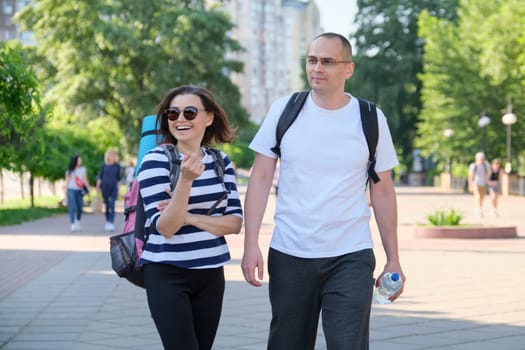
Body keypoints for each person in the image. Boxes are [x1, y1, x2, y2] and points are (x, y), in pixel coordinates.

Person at [241, 32, 405, 350]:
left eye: (328, 61)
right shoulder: (284, 110)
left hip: (350, 255)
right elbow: (260, 178)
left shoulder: (370, 118)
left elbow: (383, 192)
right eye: (312, 59)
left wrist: (393, 259)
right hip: (290, 253)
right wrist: (251, 245)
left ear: (349, 68)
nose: (317, 67)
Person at [136, 85, 243, 350]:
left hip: (210, 273)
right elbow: (166, 228)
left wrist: (190, 217)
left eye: (190, 112)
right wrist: (185, 180)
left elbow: (234, 223)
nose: (180, 119)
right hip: (166, 274)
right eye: (173, 114)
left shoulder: (221, 162)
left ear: (208, 118)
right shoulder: (155, 161)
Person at [96, 149, 121, 232]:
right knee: (107, 206)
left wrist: (119, 190)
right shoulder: (104, 165)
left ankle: (111, 223)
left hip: (113, 188)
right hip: (104, 188)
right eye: (111, 155)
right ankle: (107, 221)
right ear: (108, 156)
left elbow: (118, 179)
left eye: (114, 155)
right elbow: (100, 177)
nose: (113, 156)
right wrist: (98, 187)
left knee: (112, 205)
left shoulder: (117, 166)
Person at [64, 154, 90, 232]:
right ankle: (72, 224)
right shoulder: (69, 171)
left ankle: (77, 221)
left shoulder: (83, 169)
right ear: (75, 161)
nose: (80, 161)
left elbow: (85, 180)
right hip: (71, 189)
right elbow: (67, 182)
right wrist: (65, 194)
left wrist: (88, 189)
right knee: (72, 206)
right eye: (79, 160)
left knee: (80, 207)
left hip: (79, 190)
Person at [468, 152, 490, 217]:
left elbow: (489, 172)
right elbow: (470, 176)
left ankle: (479, 208)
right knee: (478, 196)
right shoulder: (473, 166)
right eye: (480, 158)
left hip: (483, 183)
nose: (481, 159)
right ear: (476, 158)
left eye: (482, 158)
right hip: (476, 183)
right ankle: (478, 209)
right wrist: (470, 185)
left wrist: (487, 179)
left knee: (482, 197)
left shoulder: (486, 165)